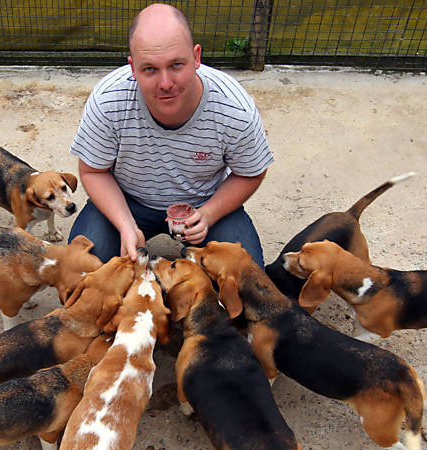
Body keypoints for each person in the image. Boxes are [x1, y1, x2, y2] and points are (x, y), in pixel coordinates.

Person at [67, 2, 273, 266]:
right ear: (132, 67)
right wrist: (125, 224)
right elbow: (93, 171)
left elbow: (251, 171)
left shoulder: (234, 109)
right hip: (127, 199)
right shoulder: (109, 99)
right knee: (79, 270)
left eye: (176, 65)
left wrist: (209, 214)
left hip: (203, 202)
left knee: (246, 281)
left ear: (196, 57)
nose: (165, 84)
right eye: (150, 69)